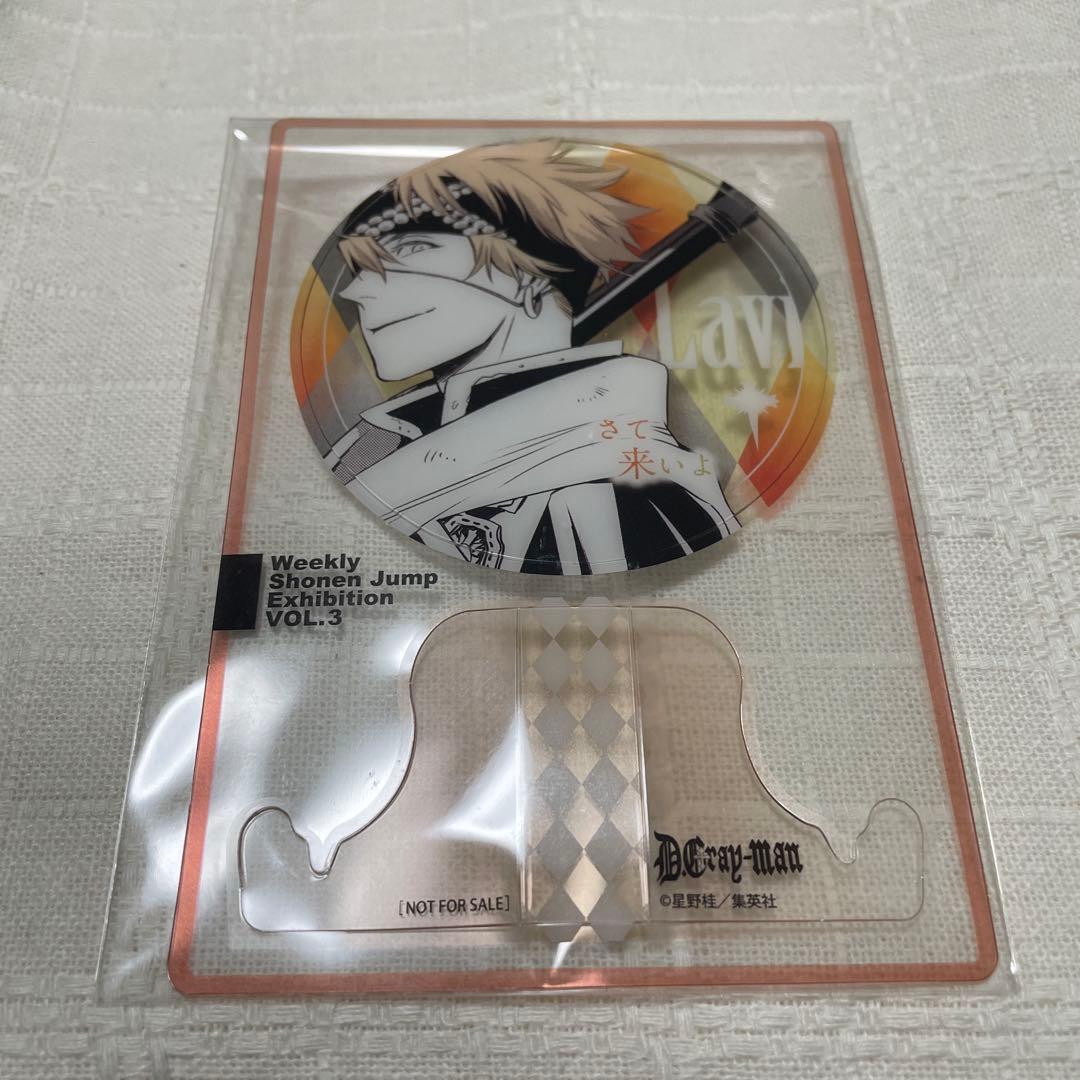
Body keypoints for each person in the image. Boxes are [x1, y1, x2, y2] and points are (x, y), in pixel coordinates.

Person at [330, 140, 738, 574]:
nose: (356, 291)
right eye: (362, 268)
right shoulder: (382, 435)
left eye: (412, 249)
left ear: (528, 273)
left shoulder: (614, 484)